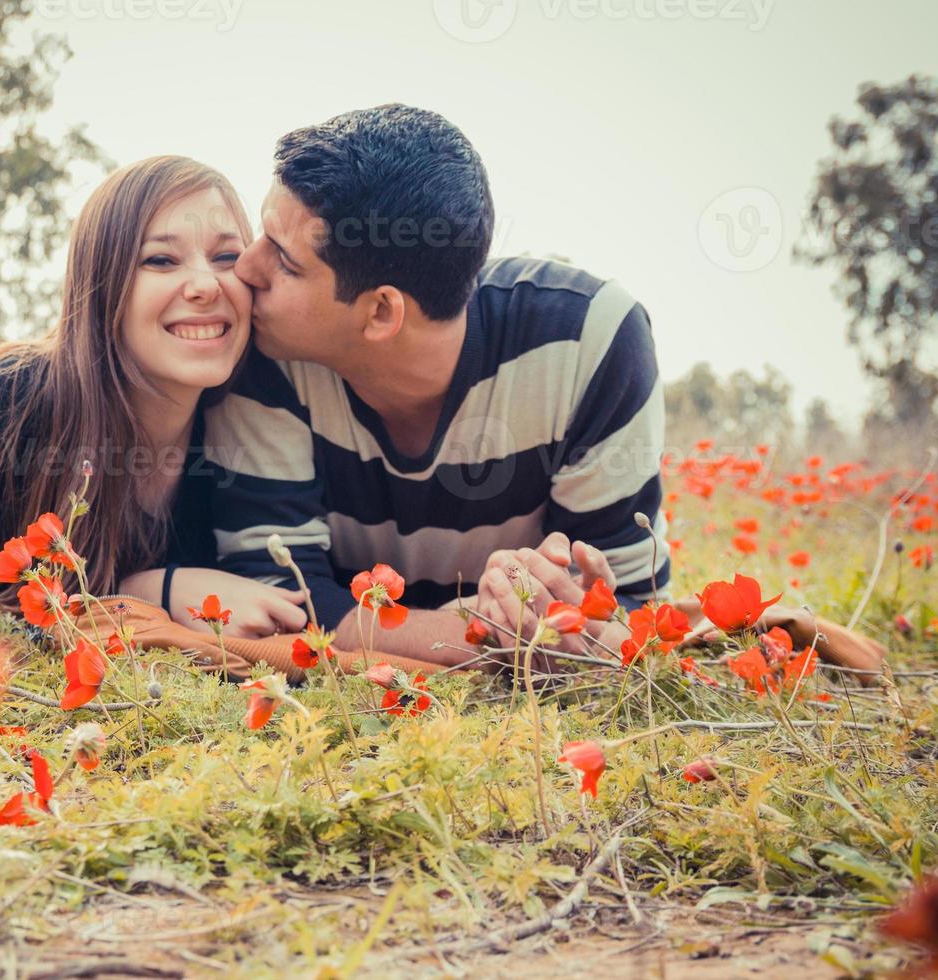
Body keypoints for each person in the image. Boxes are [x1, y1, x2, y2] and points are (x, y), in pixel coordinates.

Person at [203, 104, 670, 666]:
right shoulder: (265, 346)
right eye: (264, 234)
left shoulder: (590, 343)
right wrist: (495, 626)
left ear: (380, 313)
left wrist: (557, 606)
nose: (243, 270)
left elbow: (624, 612)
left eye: (283, 259)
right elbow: (282, 608)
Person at [0, 156, 310, 638]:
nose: (206, 285)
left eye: (225, 258)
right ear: (102, 284)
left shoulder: (256, 411)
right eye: (160, 260)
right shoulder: (17, 403)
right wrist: (155, 590)